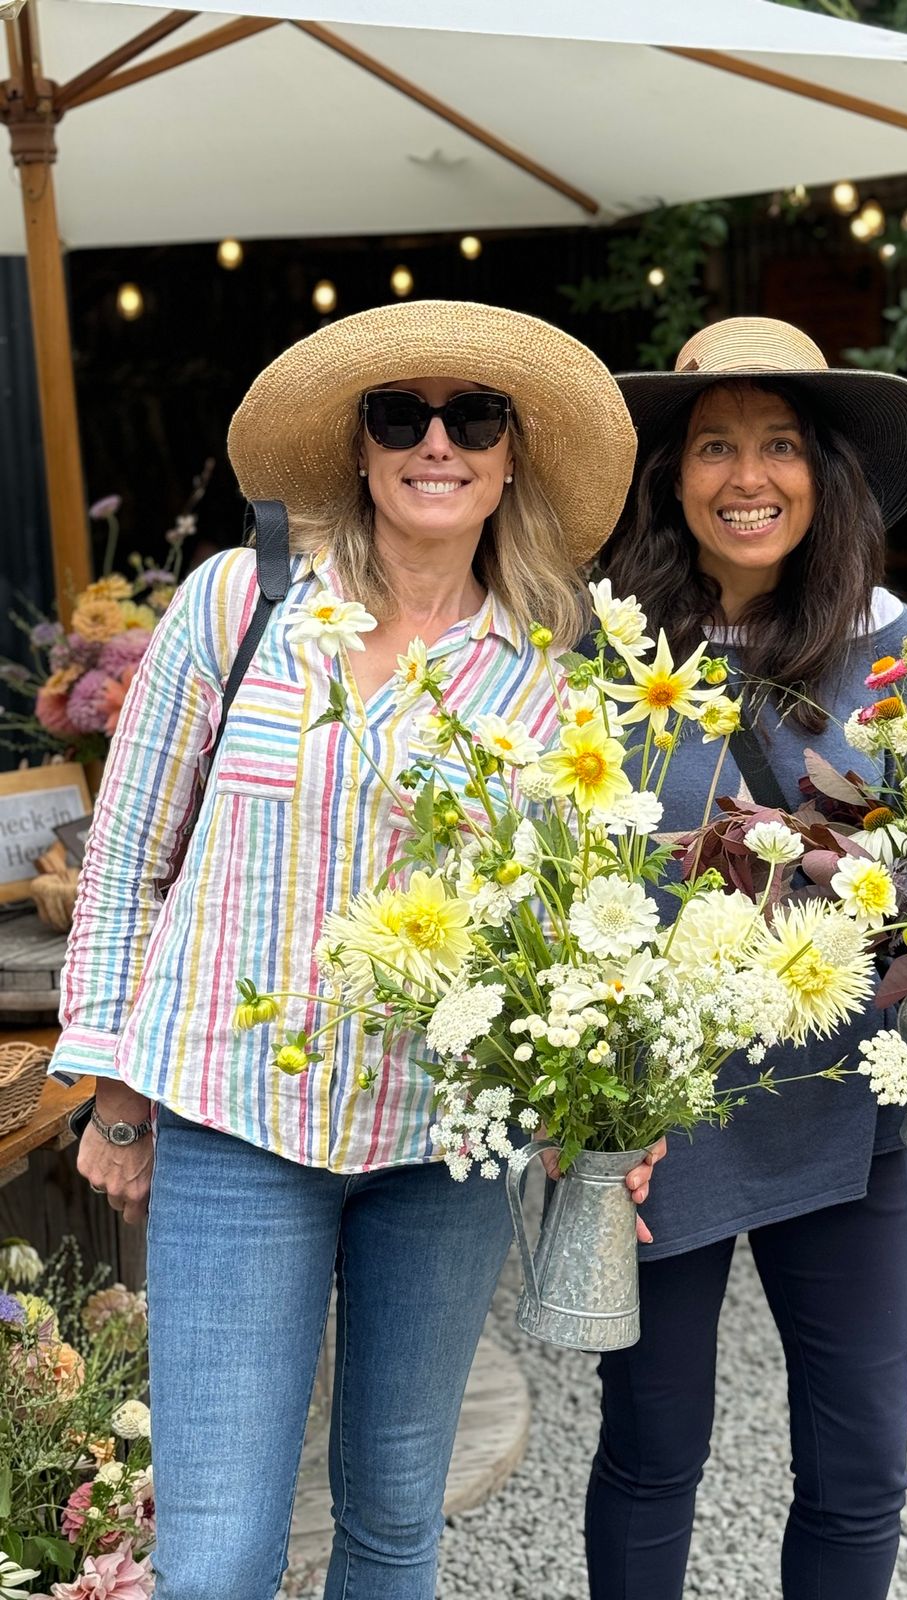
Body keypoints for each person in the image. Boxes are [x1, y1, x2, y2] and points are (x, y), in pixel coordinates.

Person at [53, 301, 658, 1600]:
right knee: (217, 1557)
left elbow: (574, 913)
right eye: (403, 415)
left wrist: (603, 1104)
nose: (436, 443)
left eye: (473, 418)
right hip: (235, 1122)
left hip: (442, 1141)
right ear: (362, 448)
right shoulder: (242, 604)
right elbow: (125, 860)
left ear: (510, 460)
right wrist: (110, 1091)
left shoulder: (553, 671)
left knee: (393, 1525)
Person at [586, 317, 907, 1600]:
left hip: (847, 1100)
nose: (748, 475)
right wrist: (576, 1095)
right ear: (670, 473)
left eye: (780, 443)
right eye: (715, 443)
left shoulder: (891, 647)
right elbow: (555, 869)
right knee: (652, 1449)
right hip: (660, 1106)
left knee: (858, 1464)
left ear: (823, 472)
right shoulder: (610, 650)